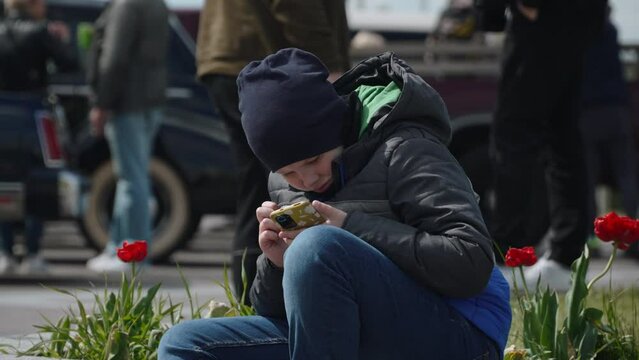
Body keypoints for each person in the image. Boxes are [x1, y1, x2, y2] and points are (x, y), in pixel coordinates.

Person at [159, 48, 511, 359]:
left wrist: (351, 228)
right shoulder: (283, 185)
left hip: (460, 334)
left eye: (314, 160)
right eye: (289, 172)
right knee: (183, 343)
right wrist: (277, 264)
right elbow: (280, 313)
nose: (307, 181)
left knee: (317, 245)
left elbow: (471, 263)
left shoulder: (406, 149)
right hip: (354, 335)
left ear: (335, 126)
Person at [195, 0, 350, 300]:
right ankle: (258, 297)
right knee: (274, 190)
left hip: (230, 55)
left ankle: (253, 297)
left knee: (262, 188)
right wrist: (330, 67)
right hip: (267, 67)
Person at [488, 0, 607, 291]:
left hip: (542, 15)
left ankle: (509, 253)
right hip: (578, 17)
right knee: (563, 137)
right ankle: (564, 258)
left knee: (514, 134)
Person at [85, 0, 168, 272]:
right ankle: (119, 249)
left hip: (126, 102)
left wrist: (102, 102)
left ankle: (132, 251)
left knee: (131, 179)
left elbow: (114, 56)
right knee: (133, 177)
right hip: (150, 100)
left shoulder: (125, 5)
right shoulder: (156, 5)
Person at [0, 0, 77, 274]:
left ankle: (4, 251)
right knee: (37, 183)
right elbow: (70, 63)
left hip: (3, 111)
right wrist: (64, 39)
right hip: (34, 113)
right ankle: (33, 253)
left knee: (3, 182)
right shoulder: (41, 31)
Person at [579, 11, 637, 250]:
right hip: (616, 110)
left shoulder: (579, 33)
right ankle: (633, 230)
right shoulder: (610, 30)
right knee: (626, 174)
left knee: (588, 177)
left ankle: (591, 236)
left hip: (588, 111)